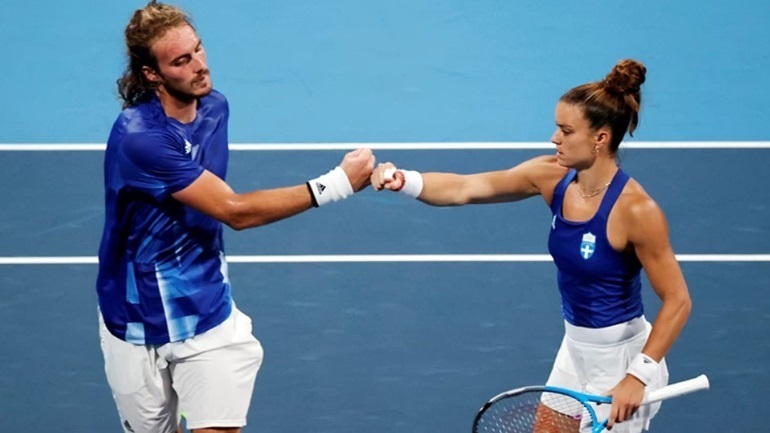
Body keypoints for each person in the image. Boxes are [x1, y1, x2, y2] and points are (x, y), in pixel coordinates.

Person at [95, 2, 374, 432]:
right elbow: (234, 211)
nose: (199, 65)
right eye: (181, 61)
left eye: (198, 49)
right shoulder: (140, 138)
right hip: (133, 318)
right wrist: (336, 183)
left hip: (206, 308)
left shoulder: (215, 109)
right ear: (152, 74)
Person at [371, 59, 692, 432]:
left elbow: (678, 300)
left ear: (600, 138)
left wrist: (638, 375)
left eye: (566, 131)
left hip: (622, 361)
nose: (555, 138)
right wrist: (404, 180)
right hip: (575, 351)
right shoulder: (552, 177)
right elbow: (465, 188)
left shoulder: (636, 210)